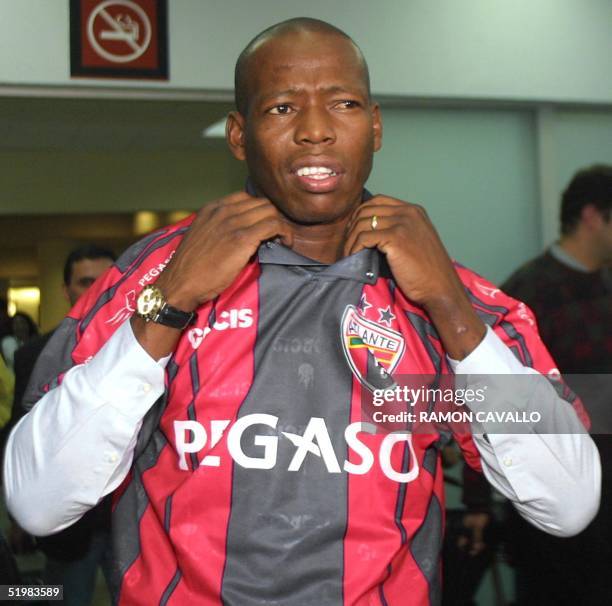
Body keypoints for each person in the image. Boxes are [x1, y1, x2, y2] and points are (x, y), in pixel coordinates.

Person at [3, 19, 601, 606]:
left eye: (342, 103)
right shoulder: (156, 274)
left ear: (374, 125)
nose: (316, 131)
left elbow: (569, 503)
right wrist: (174, 298)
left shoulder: (447, 297)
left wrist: (450, 309)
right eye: (283, 108)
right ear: (239, 136)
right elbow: (38, 501)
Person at [501, 165, 612, 606]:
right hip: (555, 497)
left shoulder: (606, 286)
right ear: (592, 217)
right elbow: (489, 399)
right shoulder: (528, 295)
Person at [5, 244, 116, 606]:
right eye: (86, 282)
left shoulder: (159, 346)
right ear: (67, 290)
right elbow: (23, 435)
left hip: (135, 518)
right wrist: (19, 515)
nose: (99, 289)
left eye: (107, 280)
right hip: (68, 521)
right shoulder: (34, 355)